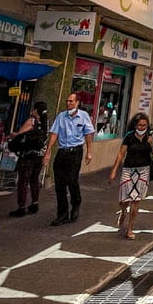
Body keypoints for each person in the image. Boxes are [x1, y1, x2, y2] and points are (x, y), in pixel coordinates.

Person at [42, 93, 95, 226]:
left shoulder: (83, 116)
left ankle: (76, 203)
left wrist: (89, 152)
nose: (68, 103)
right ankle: (62, 214)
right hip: (62, 152)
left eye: (71, 101)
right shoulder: (61, 116)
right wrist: (48, 151)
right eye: (67, 101)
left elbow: (88, 134)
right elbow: (54, 134)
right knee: (59, 184)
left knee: (72, 180)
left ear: (77, 103)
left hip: (75, 152)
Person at [108, 113, 153, 239]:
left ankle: (130, 228)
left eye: (144, 125)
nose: (141, 128)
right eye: (139, 125)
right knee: (124, 199)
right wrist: (114, 170)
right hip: (128, 170)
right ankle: (123, 211)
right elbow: (121, 154)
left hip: (143, 170)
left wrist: (152, 144)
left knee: (136, 201)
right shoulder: (129, 137)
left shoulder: (149, 137)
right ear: (135, 125)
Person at [6, 101, 48, 217]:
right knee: (34, 180)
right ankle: (35, 204)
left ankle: (21, 207)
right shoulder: (45, 124)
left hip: (27, 156)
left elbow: (20, 135)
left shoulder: (32, 121)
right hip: (39, 156)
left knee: (23, 181)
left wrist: (13, 135)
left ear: (35, 110)